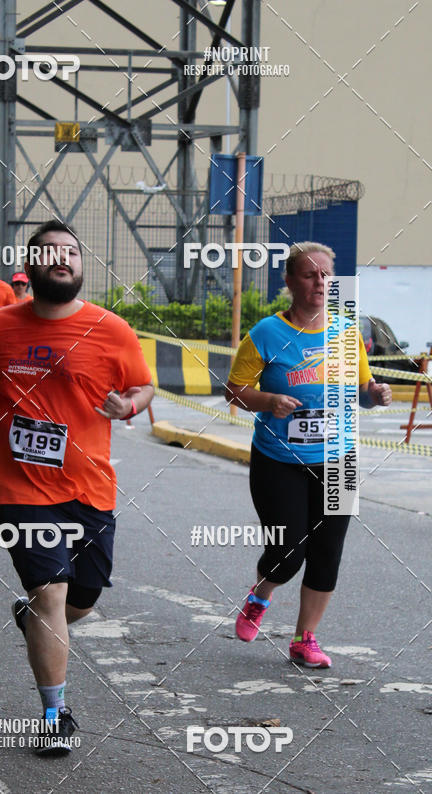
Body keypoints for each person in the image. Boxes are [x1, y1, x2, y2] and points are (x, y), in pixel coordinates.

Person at [0, 220, 154, 754]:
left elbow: (143, 383)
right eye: (49, 253)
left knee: (82, 598)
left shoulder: (111, 329)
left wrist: (130, 404)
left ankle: (34, 620)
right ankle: (54, 712)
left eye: (70, 252)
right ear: (33, 264)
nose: (61, 260)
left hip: (89, 486)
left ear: (80, 265)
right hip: (20, 485)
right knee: (51, 591)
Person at [226, 242, 391, 668]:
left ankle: (304, 640)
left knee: (327, 554)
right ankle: (260, 596)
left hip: (338, 460)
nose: (319, 282)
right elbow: (235, 391)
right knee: (287, 554)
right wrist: (268, 401)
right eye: (309, 274)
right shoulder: (266, 333)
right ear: (290, 282)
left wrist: (375, 394)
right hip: (279, 461)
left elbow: (362, 394)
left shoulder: (346, 331)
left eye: (325, 275)